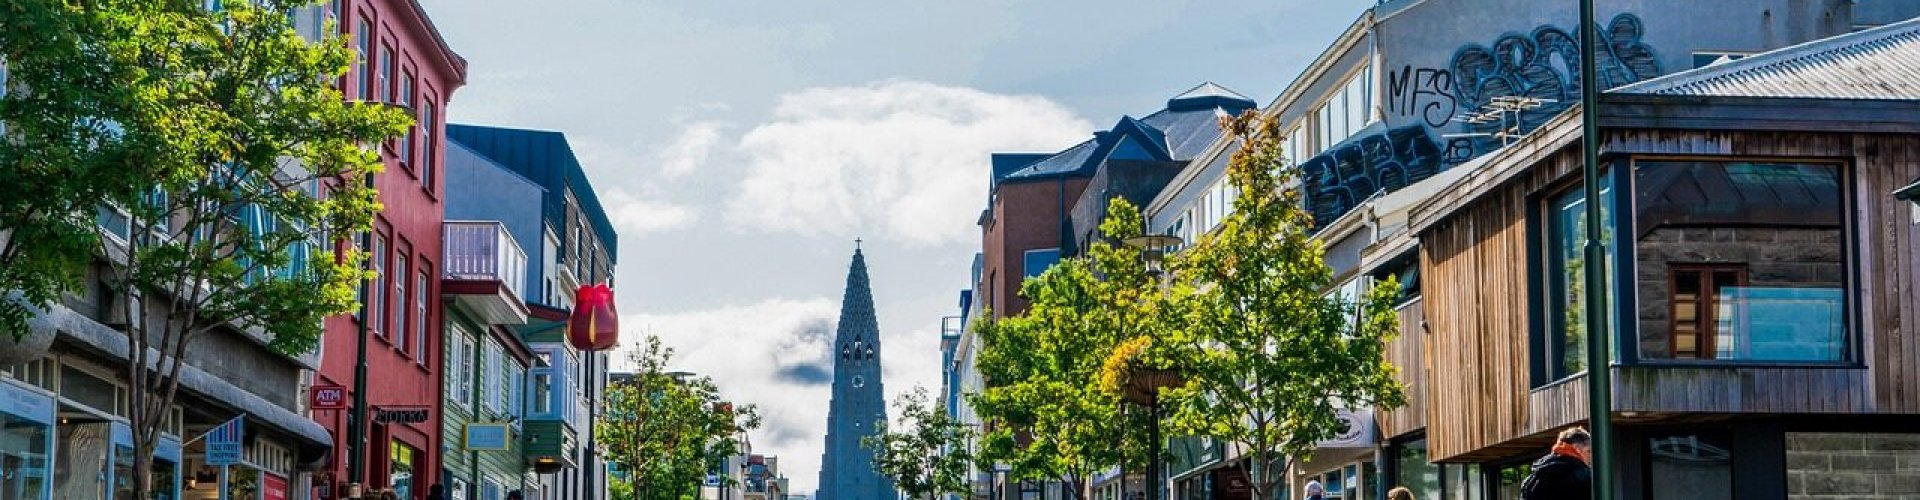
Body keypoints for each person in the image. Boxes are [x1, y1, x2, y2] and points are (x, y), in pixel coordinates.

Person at [1521, 426, 1593, 500]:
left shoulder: (1531, 481)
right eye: (1588, 451)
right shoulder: (1585, 478)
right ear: (1577, 449)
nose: (1591, 457)